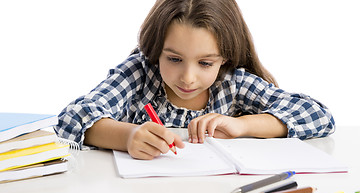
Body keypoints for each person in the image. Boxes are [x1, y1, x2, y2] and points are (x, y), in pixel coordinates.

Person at [55, 0, 335, 160]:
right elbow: (72, 118)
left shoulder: (232, 82)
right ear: (155, 50)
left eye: (205, 63)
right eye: (174, 59)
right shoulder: (139, 73)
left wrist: (242, 125)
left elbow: (319, 115)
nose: (188, 78)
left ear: (224, 57)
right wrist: (127, 135)